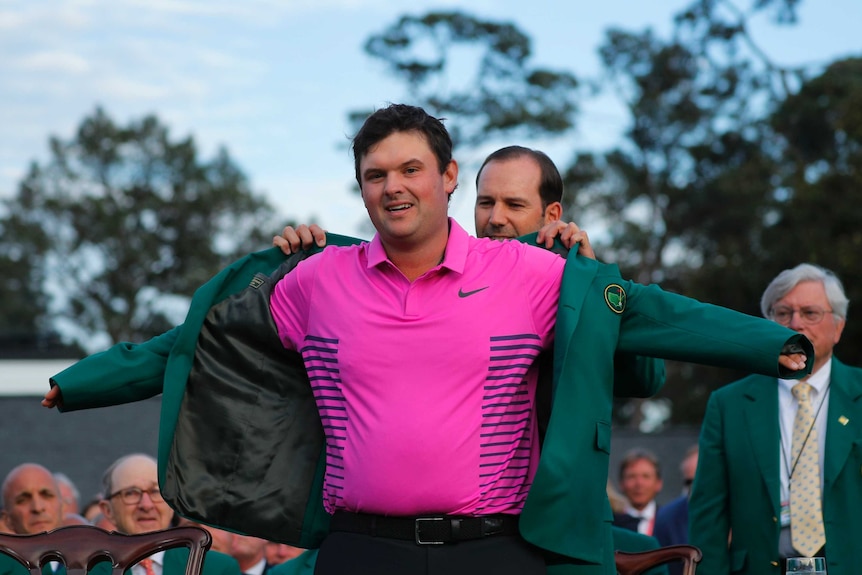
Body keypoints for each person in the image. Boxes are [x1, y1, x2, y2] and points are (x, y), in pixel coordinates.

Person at [45, 104, 813, 575]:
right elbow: (200, 341)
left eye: (411, 167)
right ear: (361, 187)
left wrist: (769, 345)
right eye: (375, 173)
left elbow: (647, 312)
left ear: (447, 175)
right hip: (358, 548)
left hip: (495, 550)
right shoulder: (317, 279)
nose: (394, 185)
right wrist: (80, 382)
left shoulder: (530, 274)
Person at [690, 263, 862, 575]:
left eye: (810, 313)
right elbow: (708, 516)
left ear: (838, 327)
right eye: (783, 314)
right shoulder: (728, 405)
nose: (795, 323)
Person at [89, 454, 240, 575]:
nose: (146, 505)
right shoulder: (82, 570)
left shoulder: (217, 568)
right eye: (131, 494)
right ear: (108, 510)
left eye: (156, 492)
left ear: (171, 503)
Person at [0, 463, 66, 575]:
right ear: (7, 519)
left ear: (62, 506)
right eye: (23, 500)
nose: (37, 507)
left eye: (46, 495)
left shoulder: (93, 562)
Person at [653, 445, 698, 575]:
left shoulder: (741, 515)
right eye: (689, 482)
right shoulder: (667, 517)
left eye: (702, 480)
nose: (696, 488)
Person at [612, 449, 663, 536]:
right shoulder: (611, 523)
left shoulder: (669, 520)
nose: (639, 483)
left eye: (646, 476)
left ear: (658, 483)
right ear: (621, 483)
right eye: (631, 476)